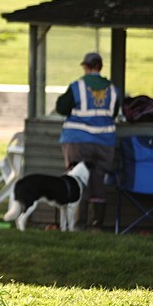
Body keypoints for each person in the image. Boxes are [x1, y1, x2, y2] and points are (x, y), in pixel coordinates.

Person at [55, 51, 121, 228]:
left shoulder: (78, 86)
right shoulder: (113, 89)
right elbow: (113, 112)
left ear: (85, 66)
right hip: (104, 144)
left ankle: (76, 224)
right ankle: (96, 226)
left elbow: (61, 107)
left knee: (77, 179)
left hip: (78, 141)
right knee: (98, 182)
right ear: (100, 67)